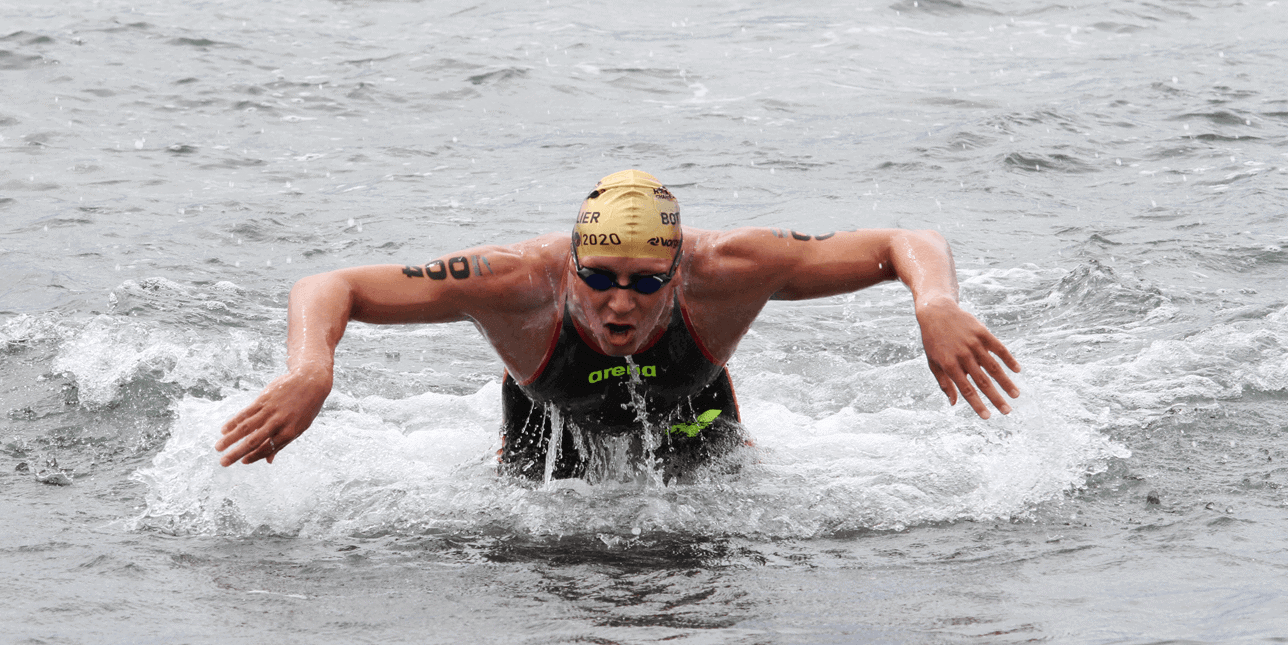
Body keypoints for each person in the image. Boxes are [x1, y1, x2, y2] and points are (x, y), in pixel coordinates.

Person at [216, 170, 1021, 480]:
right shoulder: (511, 281)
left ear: (681, 274)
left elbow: (905, 242)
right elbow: (330, 284)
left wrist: (935, 303)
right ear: (569, 267)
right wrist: (309, 369)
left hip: (695, 402)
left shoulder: (733, 266)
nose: (619, 304)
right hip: (547, 413)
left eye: (644, 284)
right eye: (598, 279)